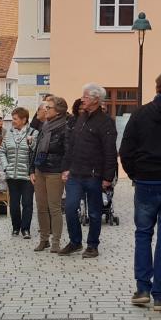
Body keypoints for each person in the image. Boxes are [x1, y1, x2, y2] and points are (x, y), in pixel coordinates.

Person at [119, 70, 161, 304]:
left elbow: (125, 150)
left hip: (146, 182)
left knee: (143, 235)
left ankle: (142, 289)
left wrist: (134, 174)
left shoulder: (140, 114)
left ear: (156, 88)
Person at [60, 84, 117, 260]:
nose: (82, 99)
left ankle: (92, 245)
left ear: (95, 100)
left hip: (94, 174)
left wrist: (108, 177)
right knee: (70, 208)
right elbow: (71, 145)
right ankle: (75, 241)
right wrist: (66, 167)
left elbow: (110, 151)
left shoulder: (106, 122)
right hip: (75, 173)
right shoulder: (81, 118)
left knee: (94, 212)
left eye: (85, 96)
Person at [30, 96, 68, 253]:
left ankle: (56, 242)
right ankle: (43, 239)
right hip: (40, 169)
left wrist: (65, 170)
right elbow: (36, 148)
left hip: (55, 171)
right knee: (40, 207)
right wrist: (31, 170)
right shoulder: (44, 125)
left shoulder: (65, 127)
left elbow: (68, 152)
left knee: (54, 207)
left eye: (49, 107)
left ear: (58, 112)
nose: (46, 110)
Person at [2, 107, 38, 239]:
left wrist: (31, 142)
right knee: (14, 204)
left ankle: (26, 229)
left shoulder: (34, 132)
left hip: (28, 175)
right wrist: (6, 166)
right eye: (13, 119)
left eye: (15, 119)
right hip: (12, 175)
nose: (13, 121)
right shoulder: (9, 133)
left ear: (24, 119)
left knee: (27, 203)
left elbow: (35, 152)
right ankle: (16, 227)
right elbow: (2, 151)